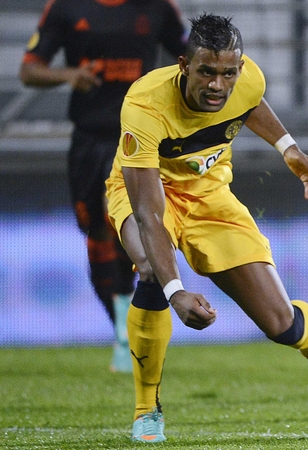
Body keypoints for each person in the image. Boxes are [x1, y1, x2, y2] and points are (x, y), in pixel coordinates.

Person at [104, 13, 308, 443]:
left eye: (228, 73)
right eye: (206, 72)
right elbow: (148, 215)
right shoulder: (144, 104)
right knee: (150, 267)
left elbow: (250, 103)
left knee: (279, 324)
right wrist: (176, 292)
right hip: (147, 190)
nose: (218, 85)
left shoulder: (248, 78)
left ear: (240, 67)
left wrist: (288, 149)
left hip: (209, 194)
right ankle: (147, 411)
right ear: (184, 65)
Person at [19, 0, 187, 373]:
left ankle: (135, 329)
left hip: (139, 136)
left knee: (130, 224)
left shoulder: (158, 7)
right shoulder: (65, 7)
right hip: (90, 138)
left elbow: (191, 57)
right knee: (96, 231)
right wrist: (70, 75)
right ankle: (122, 326)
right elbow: (29, 70)